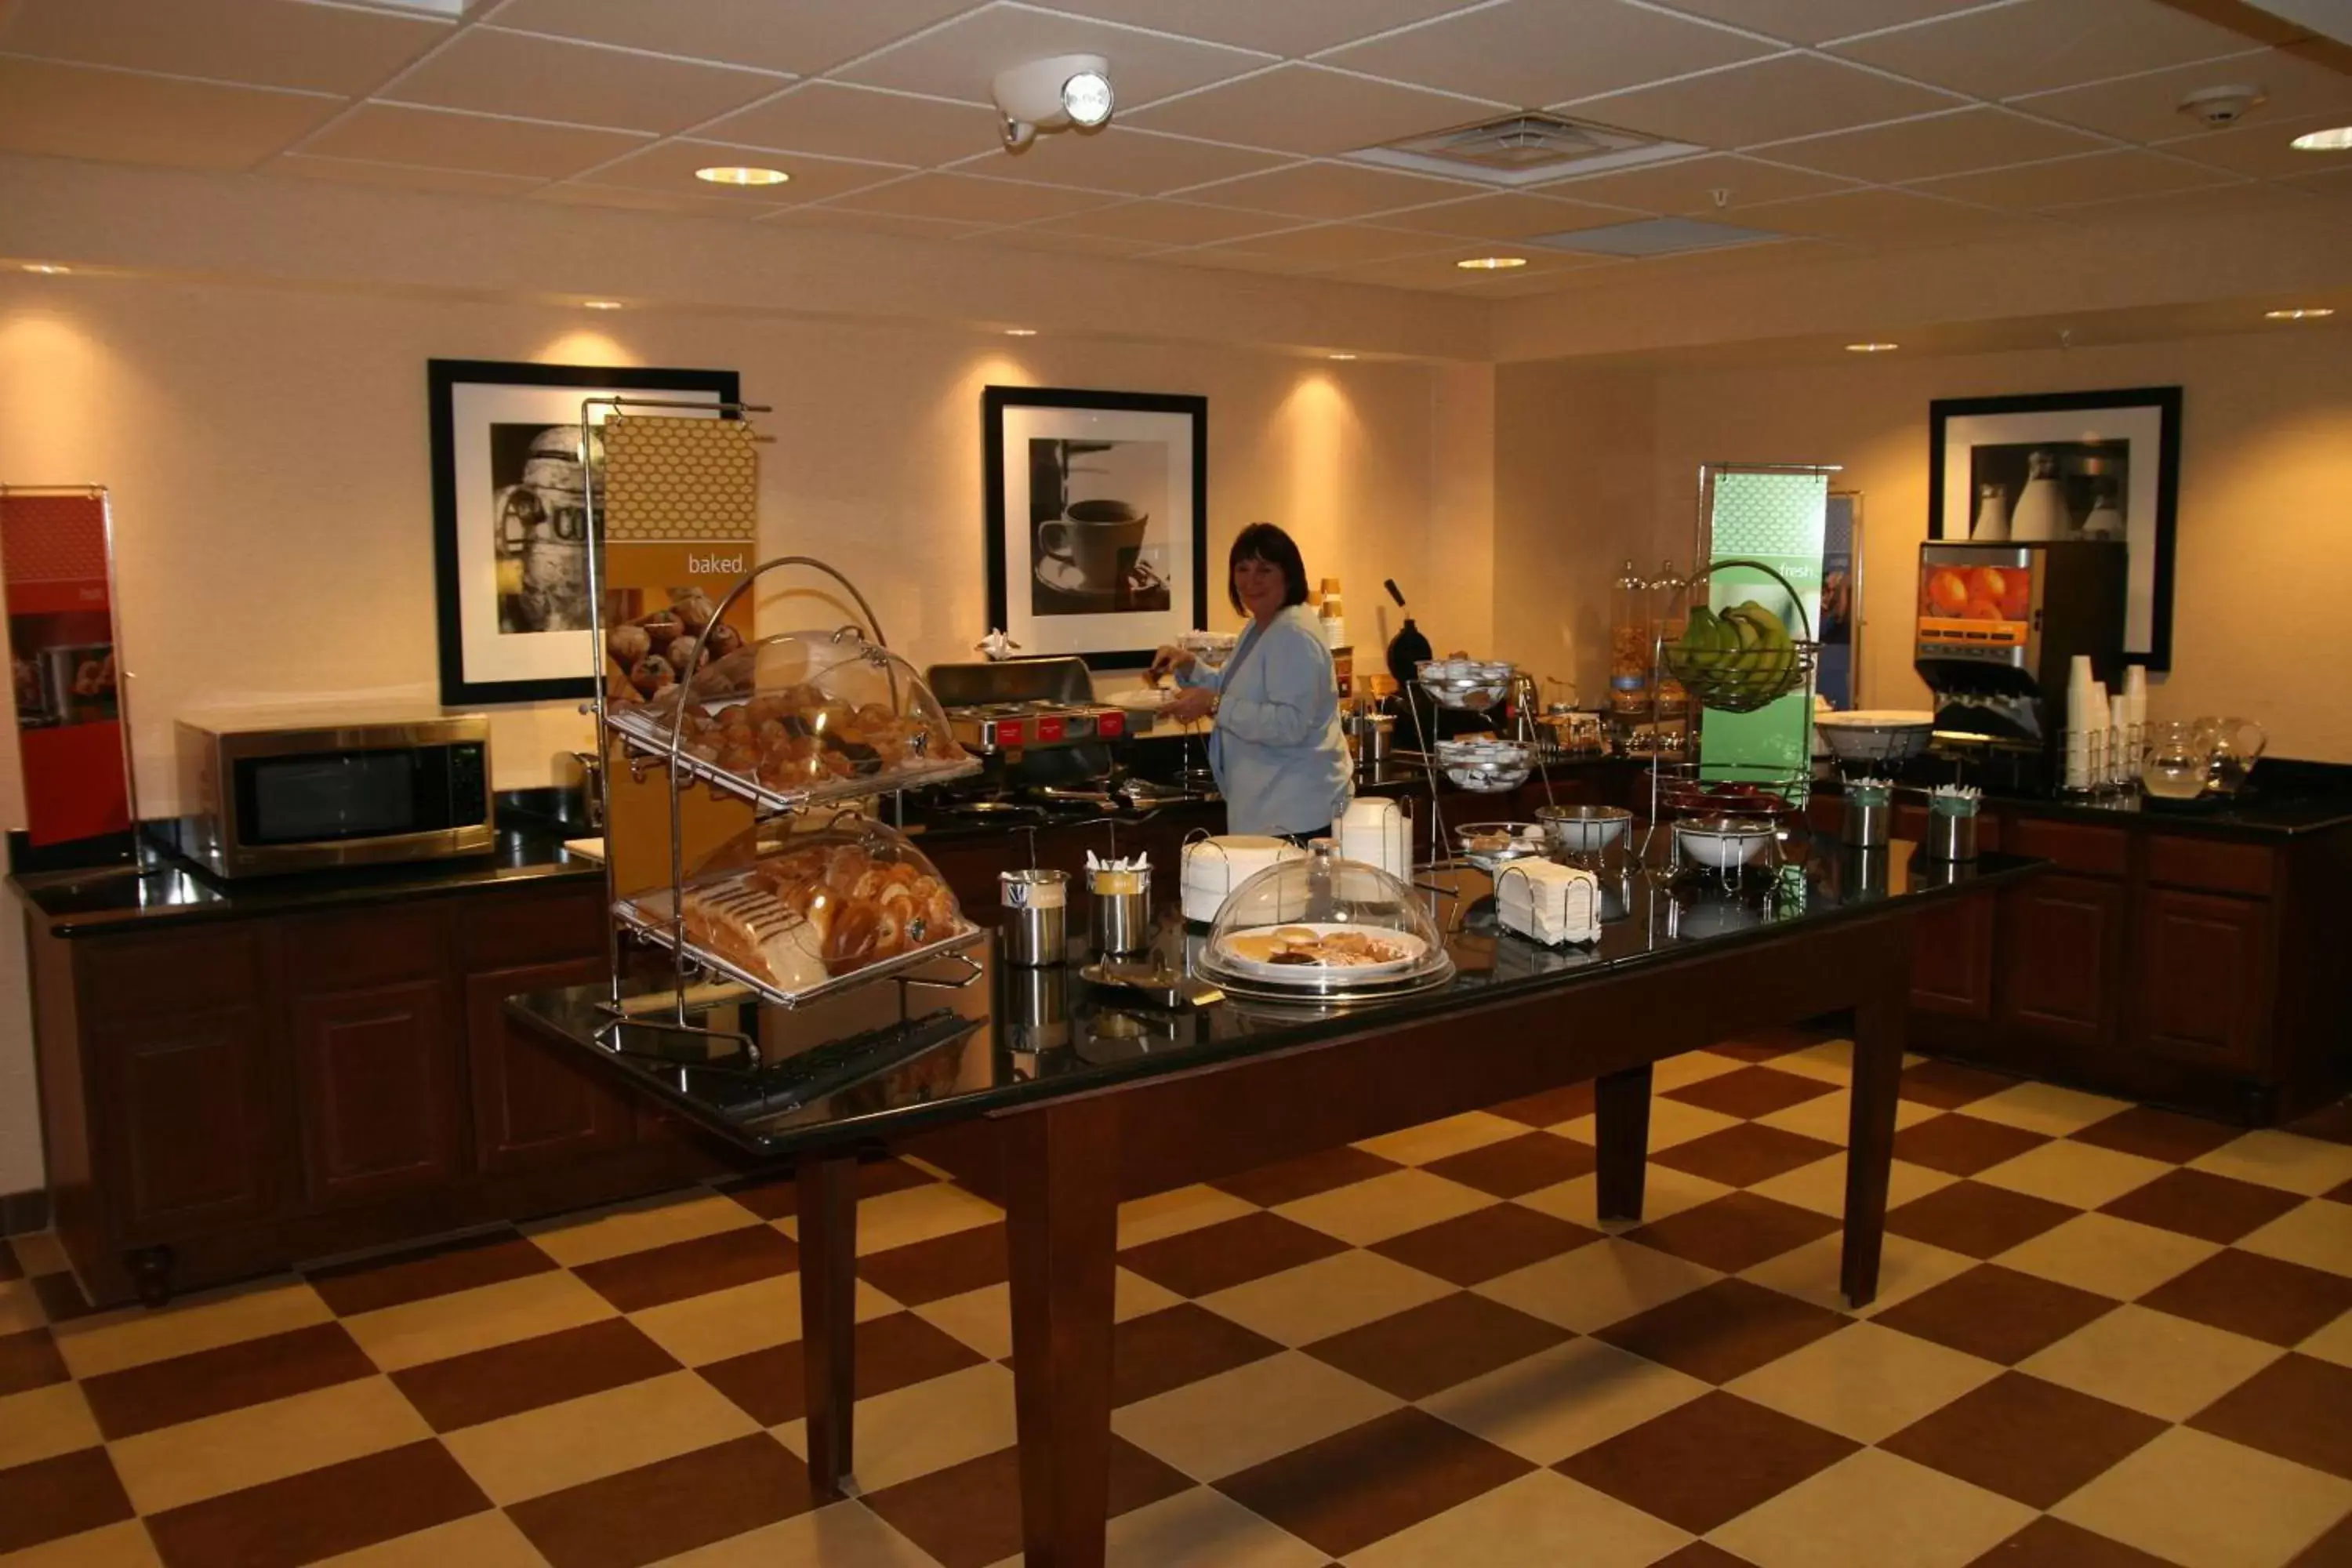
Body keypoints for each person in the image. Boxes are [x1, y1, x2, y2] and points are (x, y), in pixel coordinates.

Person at [1150, 523, 1352, 840]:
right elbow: (1236, 690)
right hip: (1267, 809)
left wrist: (1213, 704)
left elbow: (1289, 724)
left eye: (1265, 570)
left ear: (1288, 574)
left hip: (1296, 813)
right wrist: (1191, 666)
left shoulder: (1293, 634)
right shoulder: (1262, 626)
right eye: (1242, 569)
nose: (1250, 581)